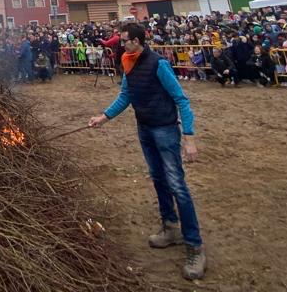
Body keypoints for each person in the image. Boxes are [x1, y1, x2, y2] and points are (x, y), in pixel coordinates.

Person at [88, 23, 206, 281]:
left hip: (165, 130)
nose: (123, 44)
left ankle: (194, 246)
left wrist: (189, 137)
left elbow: (181, 100)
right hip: (145, 129)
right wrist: (104, 117)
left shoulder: (158, 64)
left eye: (127, 40)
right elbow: (125, 96)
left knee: (177, 185)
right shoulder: (128, 62)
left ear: (139, 41)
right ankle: (170, 227)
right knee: (159, 180)